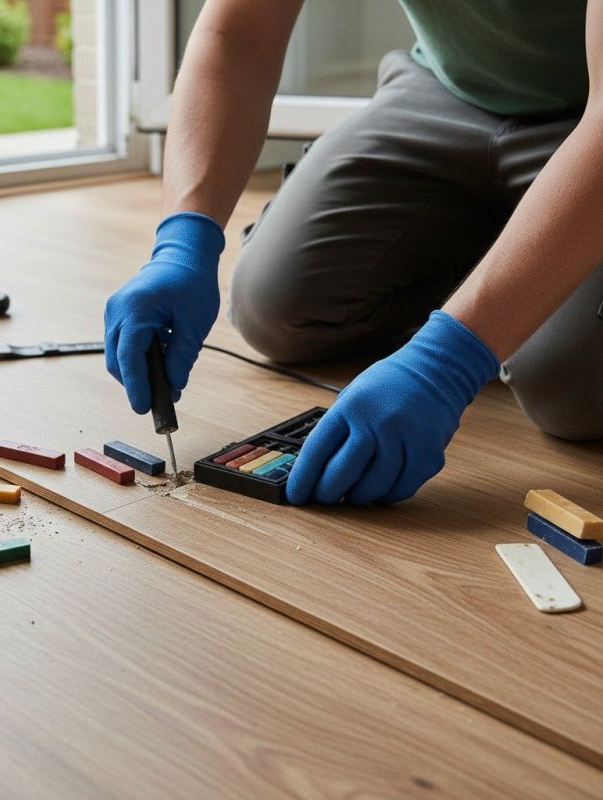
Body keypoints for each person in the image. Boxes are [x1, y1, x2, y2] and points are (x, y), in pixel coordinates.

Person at [105, 0, 603, 505]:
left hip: (592, 114)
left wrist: (446, 360)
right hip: (446, 91)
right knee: (273, 305)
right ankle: (506, 262)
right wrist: (183, 243)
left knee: (570, 390)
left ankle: (519, 270)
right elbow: (239, 35)